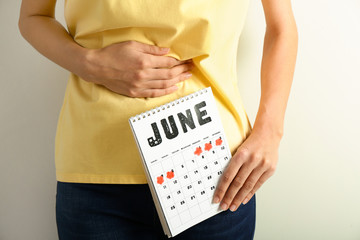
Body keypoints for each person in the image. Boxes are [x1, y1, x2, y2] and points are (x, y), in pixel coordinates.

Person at [18, 0, 298, 239]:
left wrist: (270, 132)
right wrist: (90, 64)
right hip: (96, 177)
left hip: (215, 174)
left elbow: (281, 27)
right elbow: (33, 16)